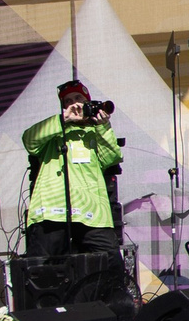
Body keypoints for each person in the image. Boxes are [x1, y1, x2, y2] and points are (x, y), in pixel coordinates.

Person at [20, 80, 122, 257]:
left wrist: (103, 127)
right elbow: (29, 140)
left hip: (91, 211)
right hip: (53, 210)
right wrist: (63, 120)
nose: (74, 103)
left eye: (78, 98)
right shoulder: (54, 130)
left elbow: (111, 158)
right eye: (67, 101)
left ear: (88, 102)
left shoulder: (96, 132)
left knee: (108, 267)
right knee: (46, 274)